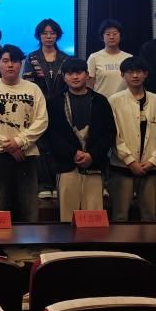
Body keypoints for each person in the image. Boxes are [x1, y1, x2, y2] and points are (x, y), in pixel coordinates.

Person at [0, 46, 48, 222]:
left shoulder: (33, 89)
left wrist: (20, 142)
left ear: (21, 64)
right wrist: (9, 146)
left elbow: (42, 121)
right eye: (5, 61)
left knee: (28, 210)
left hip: (27, 156)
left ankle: (28, 240)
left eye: (14, 61)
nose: (10, 65)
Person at [46, 58, 115, 223]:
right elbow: (51, 134)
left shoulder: (100, 101)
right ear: (64, 77)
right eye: (70, 73)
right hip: (66, 166)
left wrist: (92, 155)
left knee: (94, 218)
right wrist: (73, 153)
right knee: (67, 218)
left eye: (79, 72)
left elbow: (109, 133)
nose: (75, 77)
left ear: (87, 75)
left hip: (94, 166)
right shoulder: (54, 102)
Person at [108, 56, 156, 222]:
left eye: (139, 71)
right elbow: (113, 135)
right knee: (120, 216)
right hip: (123, 166)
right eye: (130, 72)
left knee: (149, 216)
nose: (135, 75)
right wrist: (130, 161)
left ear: (146, 74)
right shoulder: (114, 100)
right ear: (122, 75)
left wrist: (153, 160)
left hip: (150, 167)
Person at [24, 17, 68, 197]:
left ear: (57, 35)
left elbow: (69, 83)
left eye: (52, 33)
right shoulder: (32, 58)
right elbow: (28, 84)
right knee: (41, 146)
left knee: (59, 144)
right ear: (39, 36)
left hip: (61, 108)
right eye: (45, 33)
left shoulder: (65, 58)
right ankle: (44, 184)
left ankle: (58, 182)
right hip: (38, 107)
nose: (48, 37)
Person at [86, 18, 131, 99]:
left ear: (120, 36)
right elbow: (89, 85)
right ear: (102, 37)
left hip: (123, 101)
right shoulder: (94, 57)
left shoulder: (129, 58)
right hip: (101, 102)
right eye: (108, 34)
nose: (111, 37)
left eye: (115, 34)